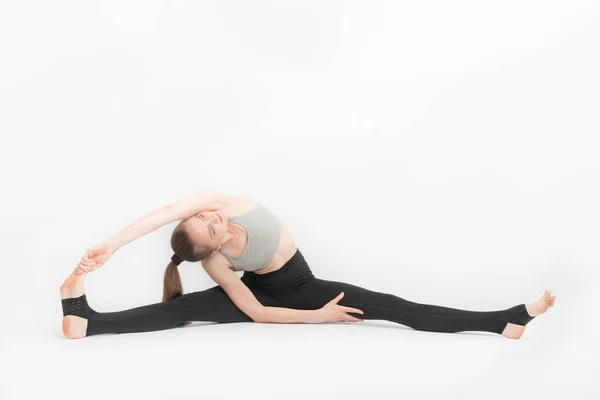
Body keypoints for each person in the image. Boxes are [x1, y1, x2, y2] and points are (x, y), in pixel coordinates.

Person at [60, 192, 556, 339]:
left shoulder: (222, 203)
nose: (210, 217)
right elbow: (256, 312)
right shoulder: (215, 262)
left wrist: (112, 245)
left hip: (299, 286)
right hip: (287, 299)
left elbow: (162, 214)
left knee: (393, 305)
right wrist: (318, 316)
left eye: (204, 216)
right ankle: (86, 320)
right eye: (208, 226)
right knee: (179, 311)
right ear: (209, 246)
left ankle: (502, 321)